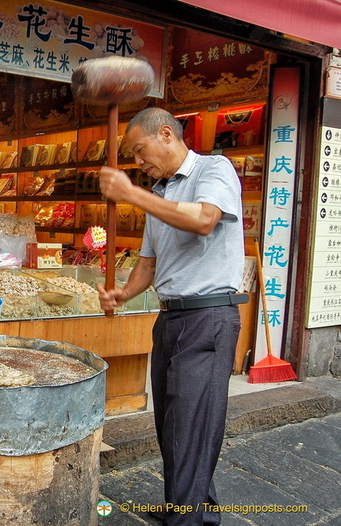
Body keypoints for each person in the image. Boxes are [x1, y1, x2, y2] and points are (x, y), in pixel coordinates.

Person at [96, 107, 246, 526]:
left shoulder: (214, 169)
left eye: (140, 151)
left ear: (166, 134)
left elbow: (203, 219)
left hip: (209, 318)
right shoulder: (159, 195)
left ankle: (185, 518)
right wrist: (123, 292)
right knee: (174, 427)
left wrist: (131, 193)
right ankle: (198, 511)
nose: (139, 163)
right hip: (170, 320)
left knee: (190, 427)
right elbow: (149, 262)